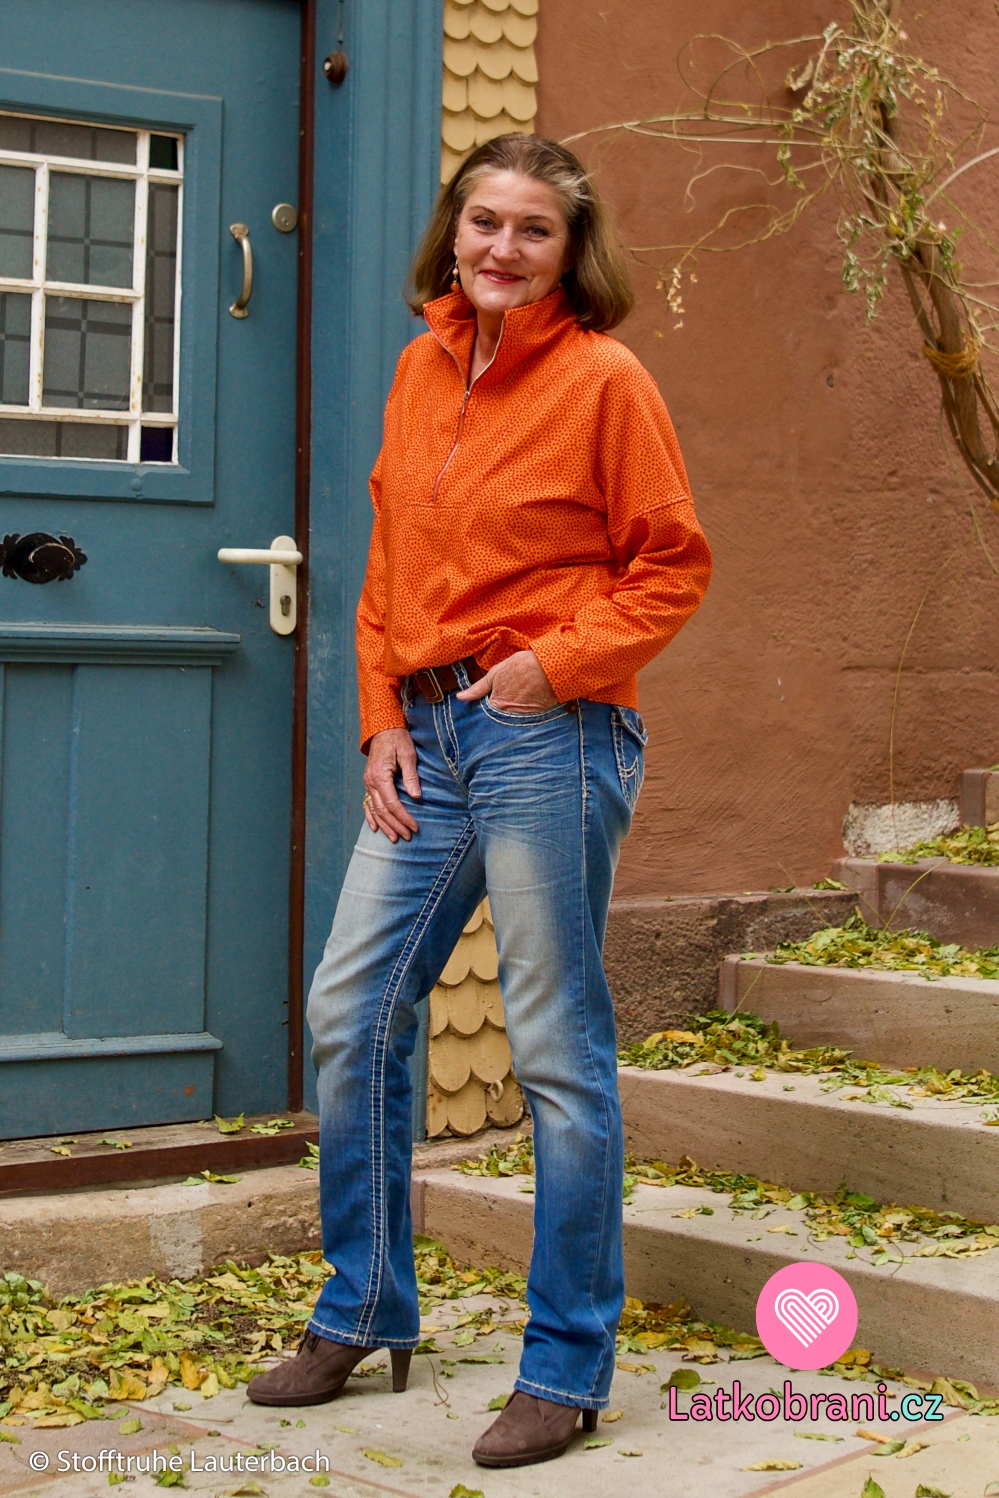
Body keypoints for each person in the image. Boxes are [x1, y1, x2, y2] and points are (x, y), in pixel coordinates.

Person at [248, 132, 711, 1468]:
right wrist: (381, 716)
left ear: (571, 251)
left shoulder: (605, 380)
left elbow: (672, 565)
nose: (502, 247)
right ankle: (363, 1305)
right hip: (428, 739)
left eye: (533, 230)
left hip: (545, 733)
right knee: (352, 1009)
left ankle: (564, 1366)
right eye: (484, 221)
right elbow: (390, 561)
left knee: (554, 1047)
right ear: (451, 231)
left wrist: (549, 667)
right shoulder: (421, 367)